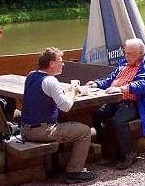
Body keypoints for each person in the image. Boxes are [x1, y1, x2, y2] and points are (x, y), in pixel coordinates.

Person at [87, 38, 145, 170]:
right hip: (115, 101)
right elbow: (110, 80)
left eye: (130, 54)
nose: (127, 56)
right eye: (126, 53)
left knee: (119, 121)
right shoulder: (123, 65)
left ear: (141, 53)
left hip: (135, 103)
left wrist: (123, 88)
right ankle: (109, 151)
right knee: (96, 115)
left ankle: (128, 153)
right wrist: (97, 83)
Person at [20, 47, 95, 184]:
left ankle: (57, 164)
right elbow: (66, 107)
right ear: (52, 64)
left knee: (69, 124)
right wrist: (74, 91)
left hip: (25, 129)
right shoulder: (50, 81)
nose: (63, 63)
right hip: (42, 131)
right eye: (60, 61)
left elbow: (44, 95)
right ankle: (74, 172)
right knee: (84, 131)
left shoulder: (31, 75)